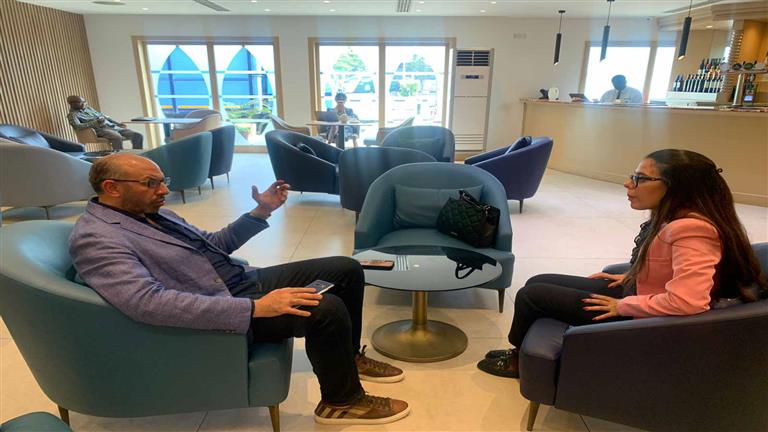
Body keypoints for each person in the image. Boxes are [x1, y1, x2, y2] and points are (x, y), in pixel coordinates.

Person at [69, 153, 410, 425]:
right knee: (325, 308)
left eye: (163, 181)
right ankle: (341, 402)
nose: (163, 191)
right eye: (151, 183)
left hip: (238, 282)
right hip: (223, 304)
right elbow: (147, 303)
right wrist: (256, 308)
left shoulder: (153, 213)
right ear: (112, 188)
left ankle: (348, 358)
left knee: (345, 268)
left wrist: (261, 211)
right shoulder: (98, 238)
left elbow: (213, 245)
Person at [477, 149, 767, 378]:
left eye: (640, 179)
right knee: (538, 280)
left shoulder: (692, 229)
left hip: (648, 317)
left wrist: (623, 306)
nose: (629, 184)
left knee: (532, 295)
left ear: (676, 188)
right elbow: (670, 267)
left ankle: (519, 361)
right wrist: (633, 274)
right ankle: (521, 351)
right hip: (641, 292)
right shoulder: (677, 217)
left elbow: (688, 301)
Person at [66, 95, 143, 150]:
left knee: (138, 135)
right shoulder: (73, 115)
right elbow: (78, 126)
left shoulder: (89, 109)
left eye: (84, 101)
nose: (84, 103)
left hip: (112, 127)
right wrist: (95, 122)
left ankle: (138, 156)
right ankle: (119, 157)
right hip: (100, 130)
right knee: (117, 137)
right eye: (82, 102)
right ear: (73, 104)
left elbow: (105, 117)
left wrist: (117, 123)